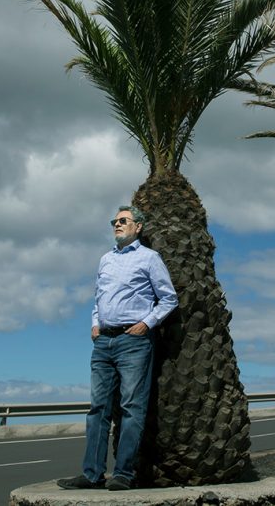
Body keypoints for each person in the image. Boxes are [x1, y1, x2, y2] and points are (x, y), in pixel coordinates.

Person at [56, 205, 178, 491]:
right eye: (114, 221)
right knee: (98, 409)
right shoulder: (105, 259)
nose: (117, 224)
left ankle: (124, 474)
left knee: (131, 407)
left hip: (133, 341)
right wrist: (96, 324)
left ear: (138, 227)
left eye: (123, 221)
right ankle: (92, 474)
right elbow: (99, 298)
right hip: (103, 342)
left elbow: (169, 299)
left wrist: (146, 324)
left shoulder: (150, 258)